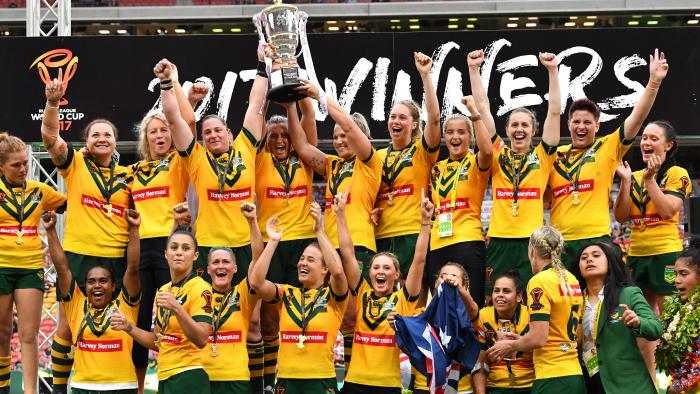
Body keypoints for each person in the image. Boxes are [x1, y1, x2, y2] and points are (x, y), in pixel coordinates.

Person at [155, 47, 268, 391]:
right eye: (207, 133)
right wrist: (166, 83)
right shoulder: (196, 159)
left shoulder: (248, 147)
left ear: (230, 134)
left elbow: (256, 105)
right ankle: (206, 381)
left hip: (245, 246)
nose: (213, 135)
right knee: (207, 320)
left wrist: (264, 64)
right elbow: (175, 120)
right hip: (206, 249)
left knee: (253, 325)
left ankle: (258, 385)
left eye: (218, 130)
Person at [41, 70, 135, 394]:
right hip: (80, 253)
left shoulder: (128, 176)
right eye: (95, 135)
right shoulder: (76, 166)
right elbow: (51, 139)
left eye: (107, 134)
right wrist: (53, 103)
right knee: (68, 324)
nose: (101, 139)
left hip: (117, 257)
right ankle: (57, 389)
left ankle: (124, 383)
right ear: (87, 140)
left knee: (125, 325)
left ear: (115, 140)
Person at [548, 49, 669, 269]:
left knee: (603, 299)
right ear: (568, 125)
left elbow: (637, 117)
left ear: (597, 126)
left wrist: (653, 82)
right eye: (576, 122)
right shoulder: (555, 155)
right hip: (561, 242)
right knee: (564, 300)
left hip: (597, 239)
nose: (581, 127)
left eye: (587, 122)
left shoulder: (608, 147)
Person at [292, 77, 380, 369]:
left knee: (356, 319)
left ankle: (359, 378)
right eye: (336, 136)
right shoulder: (332, 166)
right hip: (328, 254)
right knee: (337, 319)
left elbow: (350, 124)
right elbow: (302, 146)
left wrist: (321, 96)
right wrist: (291, 105)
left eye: (345, 135)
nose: (340, 140)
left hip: (357, 249)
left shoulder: (369, 162)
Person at [130, 65, 207, 393]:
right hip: (139, 250)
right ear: (145, 139)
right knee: (141, 318)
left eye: (164, 130)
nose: (160, 136)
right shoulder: (131, 170)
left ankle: (175, 378)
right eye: (153, 132)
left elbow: (188, 123)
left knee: (168, 320)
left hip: (170, 246)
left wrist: (177, 88)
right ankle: (136, 386)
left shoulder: (179, 162)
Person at [467, 50, 561, 293]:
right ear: (507, 130)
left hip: (532, 241)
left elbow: (554, 111)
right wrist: (474, 70)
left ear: (533, 130)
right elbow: (482, 108)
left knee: (533, 296)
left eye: (525, 125)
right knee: (494, 296)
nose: (519, 130)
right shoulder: (498, 152)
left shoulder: (543, 155)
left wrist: (552, 71)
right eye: (514, 125)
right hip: (499, 238)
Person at [613, 120, 691, 378]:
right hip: (637, 254)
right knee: (642, 317)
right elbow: (622, 216)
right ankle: (652, 376)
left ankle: (680, 374)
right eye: (644, 138)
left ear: (668, 145)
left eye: (653, 138)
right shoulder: (632, 175)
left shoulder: (677, 174)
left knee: (672, 312)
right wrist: (626, 183)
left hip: (667, 255)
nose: (646, 142)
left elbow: (668, 209)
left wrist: (649, 180)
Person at [335, 189, 431, 393]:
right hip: (354, 384)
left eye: (387, 268)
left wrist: (425, 223)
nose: (381, 271)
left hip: (388, 386)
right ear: (369, 273)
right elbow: (347, 253)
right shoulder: (361, 293)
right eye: (376, 267)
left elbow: (419, 259)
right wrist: (341, 214)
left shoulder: (403, 299)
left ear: (396, 275)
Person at [248, 202, 348, 394]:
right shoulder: (287, 293)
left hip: (321, 382)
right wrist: (273, 243)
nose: (303, 263)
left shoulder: (333, 296)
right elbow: (256, 283)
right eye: (302, 258)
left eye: (310, 260)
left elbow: (338, 272)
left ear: (324, 268)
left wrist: (319, 231)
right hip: (286, 382)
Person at [255, 98, 318, 392]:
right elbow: (255, 122)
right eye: (274, 136)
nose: (280, 140)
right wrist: (266, 98)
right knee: (269, 317)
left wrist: (294, 98)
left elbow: (307, 121)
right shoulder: (259, 161)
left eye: (285, 136)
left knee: (301, 311)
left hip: (304, 242)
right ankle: (269, 382)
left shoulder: (304, 157)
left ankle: (297, 373)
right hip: (272, 243)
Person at [44, 208, 140, 393]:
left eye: (103, 281)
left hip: (123, 388)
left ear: (113, 286)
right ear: (85, 287)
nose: (97, 285)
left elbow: (133, 268)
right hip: (83, 388)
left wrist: (134, 229)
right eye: (91, 282)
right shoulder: (77, 305)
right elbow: (62, 268)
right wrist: (50, 230)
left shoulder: (126, 306)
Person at [0, 132, 66, 394]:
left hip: (30, 267)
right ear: (1, 166)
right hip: (1, 266)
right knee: (3, 333)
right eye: (16, 165)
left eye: (26, 162)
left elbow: (74, 203)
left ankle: (30, 391)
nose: (23, 168)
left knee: (28, 334)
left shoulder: (40, 191)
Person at [112, 227, 213, 394]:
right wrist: (128, 327)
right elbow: (161, 342)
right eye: (174, 248)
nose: (179, 253)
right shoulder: (165, 289)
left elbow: (202, 338)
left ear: (195, 256)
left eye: (185, 248)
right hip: (166, 375)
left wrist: (177, 308)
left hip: (189, 375)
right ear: (165, 254)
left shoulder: (200, 288)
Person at [487, 226, 585, 394]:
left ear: (532, 250)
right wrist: (523, 341)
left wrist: (510, 345)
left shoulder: (538, 281)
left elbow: (539, 339)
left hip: (551, 378)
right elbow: (578, 337)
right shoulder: (572, 279)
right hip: (575, 375)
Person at [373, 52, 441, 279]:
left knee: (417, 289)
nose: (396, 121)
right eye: (393, 117)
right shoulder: (377, 156)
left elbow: (433, 119)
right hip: (382, 233)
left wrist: (426, 76)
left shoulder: (421, 151)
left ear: (413, 124)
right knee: (384, 293)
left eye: (402, 118)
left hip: (413, 231)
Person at [427, 95, 493, 306]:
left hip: (468, 241)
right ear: (444, 137)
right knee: (441, 305)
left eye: (461, 132)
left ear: (470, 136)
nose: (455, 136)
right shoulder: (436, 169)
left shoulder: (475, 163)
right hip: (437, 243)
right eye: (450, 132)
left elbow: (488, 150)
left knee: (471, 303)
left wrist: (475, 113)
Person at [571, 242, 661, 393]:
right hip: (587, 380)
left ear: (610, 262)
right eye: (584, 257)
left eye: (596, 255)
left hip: (627, 383)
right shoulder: (574, 300)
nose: (589, 260)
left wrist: (638, 322)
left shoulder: (629, 293)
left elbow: (656, 328)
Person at [197, 202, 263, 394]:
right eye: (215, 262)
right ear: (208, 269)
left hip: (237, 379)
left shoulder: (242, 292)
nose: (221, 266)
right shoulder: (198, 294)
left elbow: (258, 259)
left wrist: (252, 222)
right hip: (202, 377)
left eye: (226, 262)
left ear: (235, 268)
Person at [409, 262, 480, 394]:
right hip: (424, 388)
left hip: (459, 389)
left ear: (465, 286)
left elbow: (472, 309)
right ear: (435, 283)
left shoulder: (466, 314)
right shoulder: (419, 314)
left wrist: (459, 289)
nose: (448, 279)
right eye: (443, 276)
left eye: (454, 276)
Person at [472, 271, 535, 394]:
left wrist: (522, 344)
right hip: (495, 386)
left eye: (506, 291)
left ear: (518, 296)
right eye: (496, 291)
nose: (500, 295)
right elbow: (480, 361)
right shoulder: (484, 316)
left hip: (530, 386)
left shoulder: (531, 316)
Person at [656, 238, 700, 394]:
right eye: (675, 274)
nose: (676, 280)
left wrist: (680, 386)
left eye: (683, 274)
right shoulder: (680, 309)